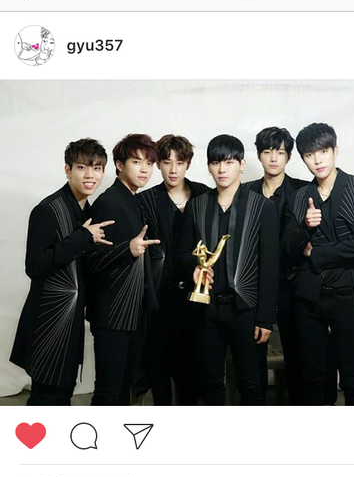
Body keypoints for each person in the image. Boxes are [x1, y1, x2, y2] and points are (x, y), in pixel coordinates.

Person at [282, 122, 354, 406]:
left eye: (323, 152)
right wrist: (304, 227)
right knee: (312, 375)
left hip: (347, 292)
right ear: (303, 159)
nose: (317, 160)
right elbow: (287, 250)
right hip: (309, 296)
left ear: (335, 151)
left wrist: (315, 253)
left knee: (350, 376)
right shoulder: (299, 197)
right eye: (309, 155)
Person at [180, 134, 279, 405]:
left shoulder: (262, 206)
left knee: (250, 383)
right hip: (207, 310)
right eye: (215, 163)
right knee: (210, 382)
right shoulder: (197, 205)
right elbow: (183, 252)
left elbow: (270, 266)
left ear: (242, 165)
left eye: (229, 162)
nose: (222, 169)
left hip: (246, 310)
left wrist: (265, 319)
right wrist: (193, 269)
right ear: (208, 167)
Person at [10, 138, 111, 405]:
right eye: (82, 167)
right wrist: (82, 238)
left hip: (72, 321)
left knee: (63, 393)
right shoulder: (48, 209)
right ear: (68, 170)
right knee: (47, 398)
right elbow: (34, 266)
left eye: (97, 168)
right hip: (49, 322)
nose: (90, 175)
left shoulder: (89, 211)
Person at [86, 133, 160, 405]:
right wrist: (127, 249)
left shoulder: (132, 199)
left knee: (123, 388)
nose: (144, 169)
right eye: (137, 162)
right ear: (119, 165)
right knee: (109, 390)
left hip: (134, 312)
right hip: (112, 313)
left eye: (149, 163)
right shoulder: (109, 202)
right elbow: (90, 260)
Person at [139, 135, 209, 404]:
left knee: (193, 372)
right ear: (158, 164)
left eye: (179, 162)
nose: (173, 169)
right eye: (167, 162)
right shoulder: (146, 199)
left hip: (196, 296)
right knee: (160, 370)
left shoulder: (204, 194)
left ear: (188, 164)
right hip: (161, 297)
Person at [244, 126, 308, 403]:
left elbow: (312, 236)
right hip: (254, 286)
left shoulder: (303, 190)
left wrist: (301, 266)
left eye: (280, 152)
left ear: (289, 156)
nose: (273, 158)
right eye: (267, 151)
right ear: (259, 155)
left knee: (297, 354)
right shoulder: (245, 191)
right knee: (252, 355)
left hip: (291, 286)